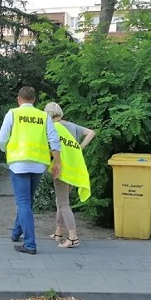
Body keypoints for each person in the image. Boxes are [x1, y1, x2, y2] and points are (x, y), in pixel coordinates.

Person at [0, 87, 61, 255]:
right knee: (27, 201)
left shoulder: (13, 113)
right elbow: (54, 140)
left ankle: (30, 244)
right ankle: (16, 232)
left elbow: (1, 140)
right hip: (38, 164)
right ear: (34, 100)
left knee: (23, 203)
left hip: (18, 164)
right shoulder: (43, 116)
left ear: (19, 99)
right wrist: (57, 163)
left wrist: (7, 150)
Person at [44, 102, 96, 249]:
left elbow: (52, 147)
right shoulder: (72, 126)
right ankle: (58, 232)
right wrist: (81, 147)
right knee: (61, 201)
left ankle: (73, 237)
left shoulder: (53, 127)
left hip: (61, 169)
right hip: (74, 170)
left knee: (63, 203)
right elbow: (91, 132)